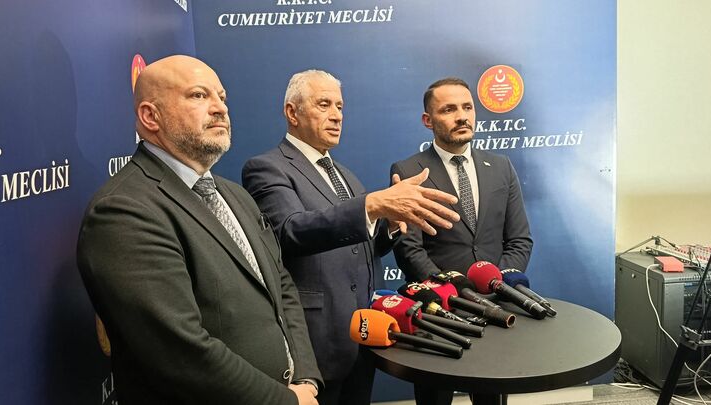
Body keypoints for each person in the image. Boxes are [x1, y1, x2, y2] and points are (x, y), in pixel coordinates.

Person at [77, 55, 322, 405]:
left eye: (221, 97)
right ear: (150, 117)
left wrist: (306, 378)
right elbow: (179, 352)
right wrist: (286, 401)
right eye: (198, 95)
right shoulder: (123, 210)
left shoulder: (235, 195)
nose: (220, 108)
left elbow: (280, 284)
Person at [242, 70, 460, 405]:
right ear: (292, 112)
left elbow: (363, 248)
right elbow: (290, 231)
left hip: (364, 335)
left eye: (340, 107)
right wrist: (371, 205)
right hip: (316, 341)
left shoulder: (345, 175)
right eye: (324, 104)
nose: (336, 116)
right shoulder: (267, 168)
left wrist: (389, 225)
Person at [390, 77, 533, 405]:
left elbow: (519, 240)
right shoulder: (410, 170)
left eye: (467, 107)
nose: (462, 116)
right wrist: (452, 294)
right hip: (438, 312)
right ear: (428, 120)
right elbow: (408, 247)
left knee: (491, 399)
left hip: (495, 307)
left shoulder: (501, 167)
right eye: (449, 109)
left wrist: (497, 287)